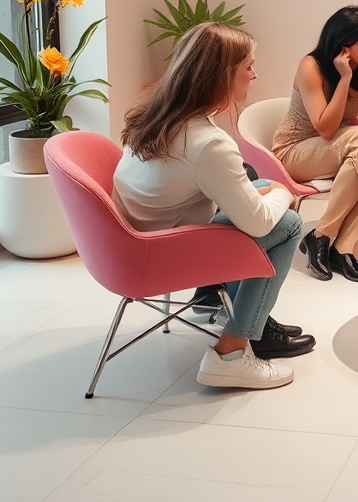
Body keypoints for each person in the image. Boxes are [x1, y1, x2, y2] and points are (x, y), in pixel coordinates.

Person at [112, 22, 312, 391]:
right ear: (222, 76)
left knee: (258, 185)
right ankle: (231, 353)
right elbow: (260, 226)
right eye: (248, 66)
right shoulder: (207, 143)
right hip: (163, 256)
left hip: (132, 243)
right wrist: (286, 192)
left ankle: (221, 305)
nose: (255, 74)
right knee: (286, 224)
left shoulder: (155, 111)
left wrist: (265, 192)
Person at [272, 6, 358, 283]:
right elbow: (326, 129)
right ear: (342, 44)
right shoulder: (311, 67)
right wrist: (345, 78)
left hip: (338, 149)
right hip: (295, 150)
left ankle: (333, 243)